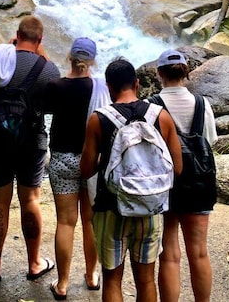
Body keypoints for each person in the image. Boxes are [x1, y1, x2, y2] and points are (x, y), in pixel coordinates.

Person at [80, 58, 183, 302]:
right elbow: (177, 168)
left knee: (112, 279)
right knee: (146, 279)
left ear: (108, 87)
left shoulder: (99, 119)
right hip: (150, 208)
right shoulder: (161, 116)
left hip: (111, 209)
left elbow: (86, 170)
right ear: (137, 84)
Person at [0, 16, 61, 284]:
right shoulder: (48, 69)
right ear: (40, 40)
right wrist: (43, 57)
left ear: (17, 35)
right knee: (31, 200)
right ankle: (35, 263)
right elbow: (53, 106)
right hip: (32, 142)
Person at [45, 37, 110, 300]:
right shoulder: (100, 86)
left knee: (65, 221)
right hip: (91, 160)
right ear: (92, 60)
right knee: (91, 221)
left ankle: (62, 284)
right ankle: (92, 275)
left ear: (69, 57)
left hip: (62, 159)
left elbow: (45, 110)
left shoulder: (55, 85)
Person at [150, 50, 218, 302]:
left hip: (166, 184)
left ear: (159, 73)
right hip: (199, 183)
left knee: (168, 253)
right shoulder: (202, 104)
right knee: (199, 252)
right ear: (186, 72)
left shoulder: (152, 105)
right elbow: (210, 141)